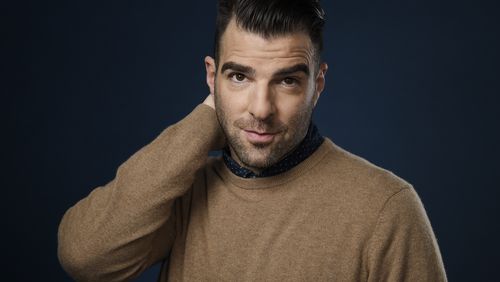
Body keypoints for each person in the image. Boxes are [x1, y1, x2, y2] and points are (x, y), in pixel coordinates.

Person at [58, 0, 447, 281]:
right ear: (212, 78)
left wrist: (232, 105)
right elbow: (84, 256)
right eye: (239, 77)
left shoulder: (386, 208)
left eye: (287, 80)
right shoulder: (183, 191)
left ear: (318, 85)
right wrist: (207, 120)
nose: (261, 109)